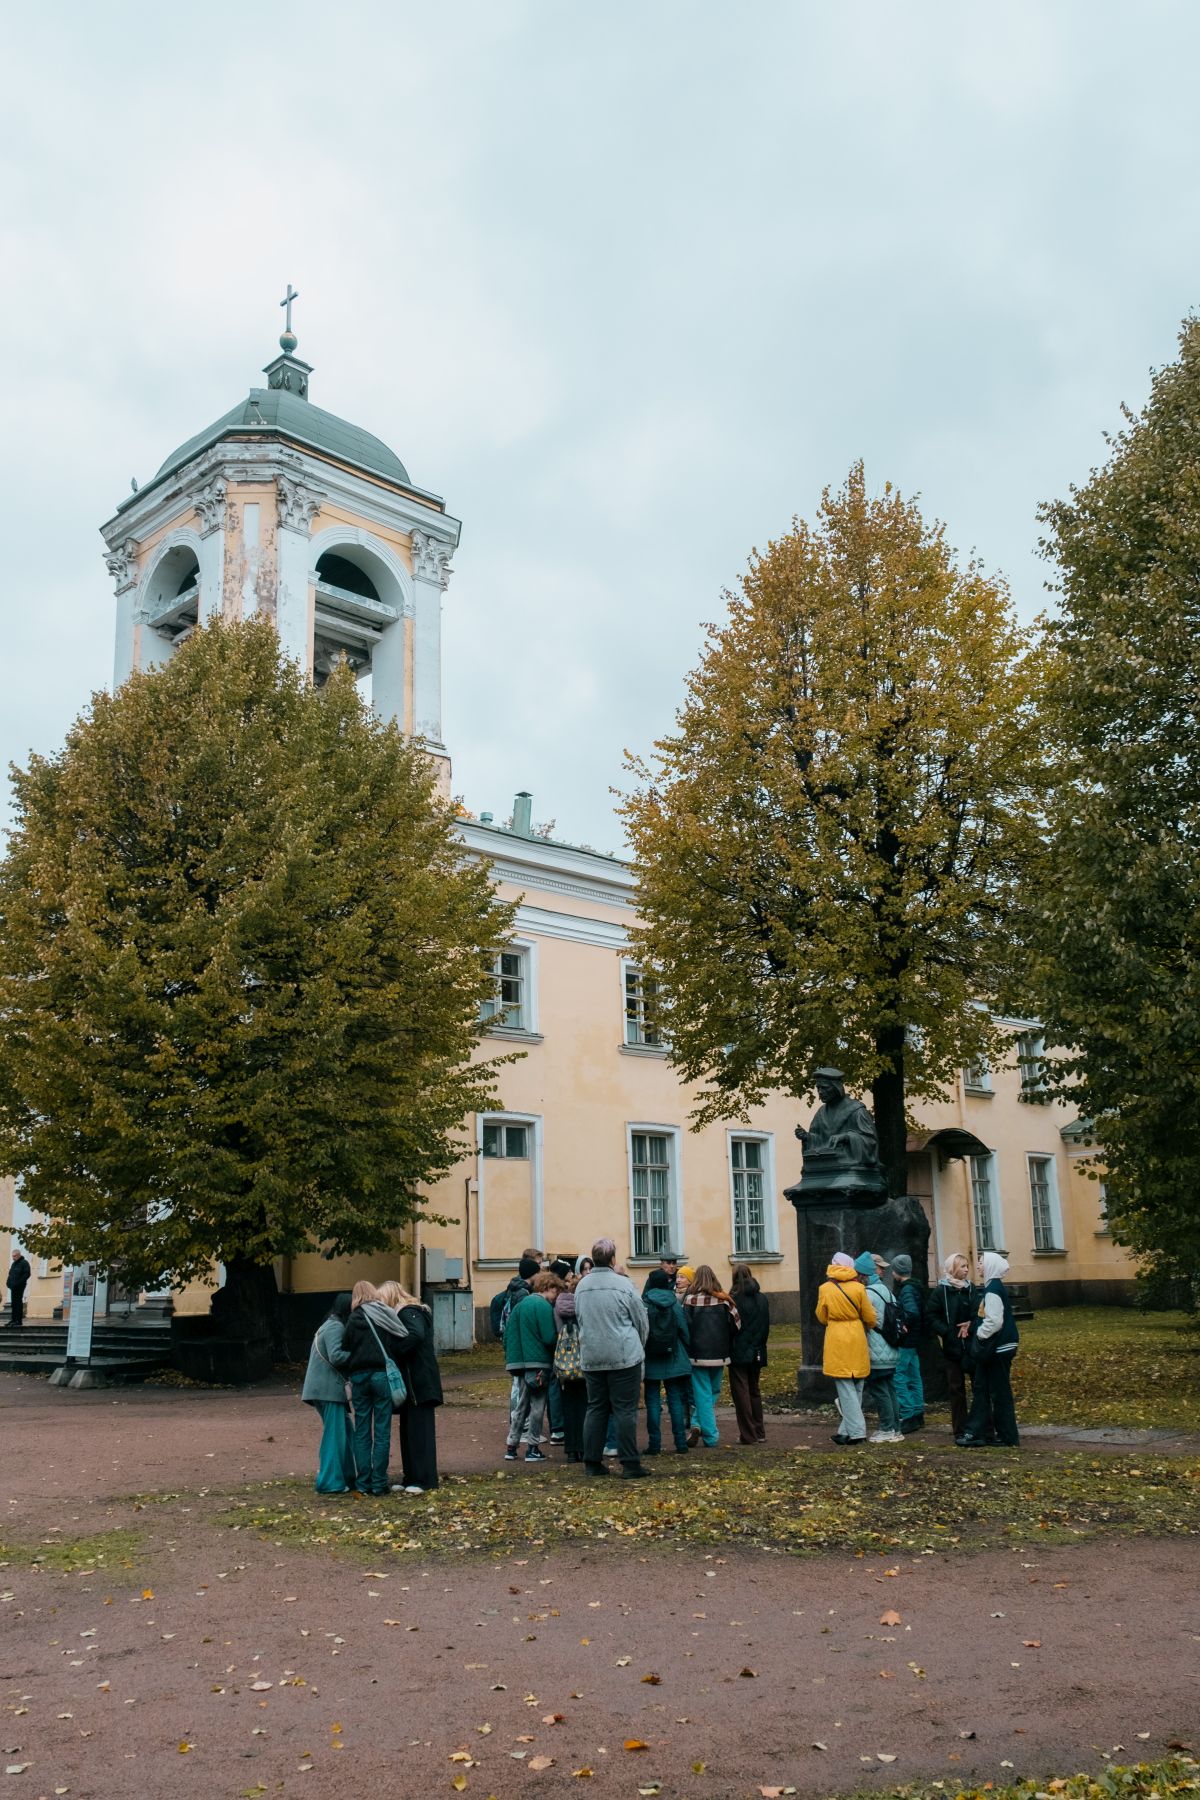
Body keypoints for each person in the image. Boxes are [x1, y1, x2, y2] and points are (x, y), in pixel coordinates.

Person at [574, 1237, 650, 1479]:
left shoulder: (582, 1286)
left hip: (592, 1355)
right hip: (623, 1355)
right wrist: (639, 1346)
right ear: (613, 1259)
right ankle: (630, 1464)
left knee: (596, 1408)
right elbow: (641, 1321)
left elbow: (580, 1318)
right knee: (625, 1410)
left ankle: (592, 1462)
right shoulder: (624, 1285)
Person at [341, 1280, 409, 1496]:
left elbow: (345, 1346)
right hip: (381, 1375)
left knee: (361, 1431)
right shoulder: (385, 1314)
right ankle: (379, 1483)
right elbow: (399, 1337)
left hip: (359, 1377)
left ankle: (363, 1483)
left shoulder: (353, 1318)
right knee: (382, 1431)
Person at [378, 1280, 443, 1493]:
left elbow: (416, 1335)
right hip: (416, 1381)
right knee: (410, 1431)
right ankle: (412, 1477)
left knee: (419, 1431)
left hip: (418, 1382)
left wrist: (396, 1349)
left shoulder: (408, 1312)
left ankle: (424, 1479)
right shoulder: (410, 1313)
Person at [957, 1252, 1020, 1448]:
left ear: (991, 1266)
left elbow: (994, 1321)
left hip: (997, 1348)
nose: (978, 1266)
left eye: (981, 1262)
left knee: (997, 1392)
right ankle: (978, 1432)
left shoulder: (992, 1290)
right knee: (983, 1389)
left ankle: (1006, 1436)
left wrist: (979, 1335)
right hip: (998, 1348)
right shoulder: (993, 1287)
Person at [815, 1251, 877, 1445]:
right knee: (856, 1385)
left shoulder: (825, 1289)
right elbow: (870, 1317)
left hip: (837, 1338)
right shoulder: (859, 1288)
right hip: (857, 1336)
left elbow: (821, 1316)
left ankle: (857, 1432)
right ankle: (845, 1431)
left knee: (845, 1386)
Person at [681, 1264, 740, 1447]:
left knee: (703, 1394)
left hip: (697, 1355)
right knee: (713, 1391)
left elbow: (684, 1327)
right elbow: (736, 1325)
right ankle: (707, 1432)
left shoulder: (689, 1301)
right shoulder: (724, 1300)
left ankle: (705, 1431)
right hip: (720, 1354)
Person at [503, 1270, 559, 1462]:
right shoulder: (543, 1306)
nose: (555, 1297)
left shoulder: (520, 1305)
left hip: (519, 1363)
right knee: (537, 1405)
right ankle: (533, 1448)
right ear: (548, 1287)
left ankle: (511, 1445)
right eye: (555, 1292)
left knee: (521, 1405)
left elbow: (507, 1334)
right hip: (539, 1363)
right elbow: (549, 1337)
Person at [300, 1293, 355, 1493]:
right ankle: (330, 1482)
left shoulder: (329, 1324)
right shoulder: (336, 1327)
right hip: (328, 1390)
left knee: (344, 1433)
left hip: (323, 1389)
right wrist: (360, 1354)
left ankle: (345, 1476)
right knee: (335, 1436)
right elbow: (336, 1356)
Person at [641, 1269, 693, 1454]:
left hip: (651, 1357)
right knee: (675, 1400)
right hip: (673, 1357)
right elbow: (684, 1331)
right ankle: (680, 1443)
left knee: (653, 1402)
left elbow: (641, 1331)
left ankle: (654, 1445)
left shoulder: (644, 1304)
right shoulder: (674, 1303)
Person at [854, 1253, 902, 1444]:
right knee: (890, 1389)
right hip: (890, 1349)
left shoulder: (867, 1293)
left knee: (880, 1391)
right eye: (880, 1267)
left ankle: (887, 1428)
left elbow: (867, 1321)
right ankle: (896, 1428)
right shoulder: (885, 1290)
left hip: (876, 1351)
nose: (882, 1271)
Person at [928, 1252, 975, 1440]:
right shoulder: (941, 1291)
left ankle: (980, 1425)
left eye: (967, 1266)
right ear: (953, 1269)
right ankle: (960, 1429)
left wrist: (972, 1324)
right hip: (952, 1347)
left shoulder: (971, 1289)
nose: (966, 1270)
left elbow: (979, 1311)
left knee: (979, 1386)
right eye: (962, 1266)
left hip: (971, 1345)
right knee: (956, 1389)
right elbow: (931, 1315)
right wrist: (946, 1331)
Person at [727, 1263, 770, 1445]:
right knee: (754, 1390)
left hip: (738, 1350)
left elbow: (731, 1327)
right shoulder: (762, 1298)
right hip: (757, 1349)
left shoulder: (733, 1299)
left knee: (741, 1392)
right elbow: (766, 1325)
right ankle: (759, 1432)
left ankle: (748, 1434)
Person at [553, 1274, 588, 1461]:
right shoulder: (584, 1304)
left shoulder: (557, 1306)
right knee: (584, 1405)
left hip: (564, 1364)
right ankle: (582, 1447)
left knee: (567, 1406)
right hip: (582, 1363)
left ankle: (570, 1451)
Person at [890, 1253, 926, 1434]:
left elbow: (911, 1312)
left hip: (906, 1340)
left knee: (899, 1376)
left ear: (898, 1271)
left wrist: (903, 1323)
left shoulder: (906, 1290)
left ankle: (908, 1414)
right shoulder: (916, 1287)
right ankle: (918, 1412)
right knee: (914, 1375)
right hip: (915, 1340)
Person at [490, 1254, 542, 1340]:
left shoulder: (517, 1288)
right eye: (538, 1273)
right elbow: (522, 1318)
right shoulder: (522, 1293)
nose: (539, 1275)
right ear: (532, 1274)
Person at [6, 1248, 31, 1328]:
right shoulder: (14, 1264)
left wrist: (18, 1283)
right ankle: (13, 1319)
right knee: (13, 1303)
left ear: (19, 1255)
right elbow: (10, 1274)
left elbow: (27, 1274)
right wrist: (8, 1283)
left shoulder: (24, 1263)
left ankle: (18, 1321)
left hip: (20, 1286)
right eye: (12, 1256)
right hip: (13, 1287)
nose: (13, 1258)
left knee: (18, 1303)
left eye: (14, 1256)